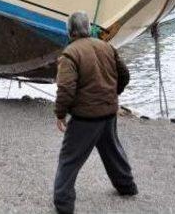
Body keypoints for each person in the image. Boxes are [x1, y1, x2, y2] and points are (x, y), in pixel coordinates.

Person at [53, 11, 137, 214]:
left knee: (69, 159)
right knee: (112, 151)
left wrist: (60, 113)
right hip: (108, 112)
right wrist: (112, 94)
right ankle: (127, 186)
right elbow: (124, 74)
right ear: (88, 28)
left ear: (69, 31)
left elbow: (66, 88)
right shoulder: (106, 46)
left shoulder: (70, 54)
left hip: (85, 118)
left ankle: (63, 204)